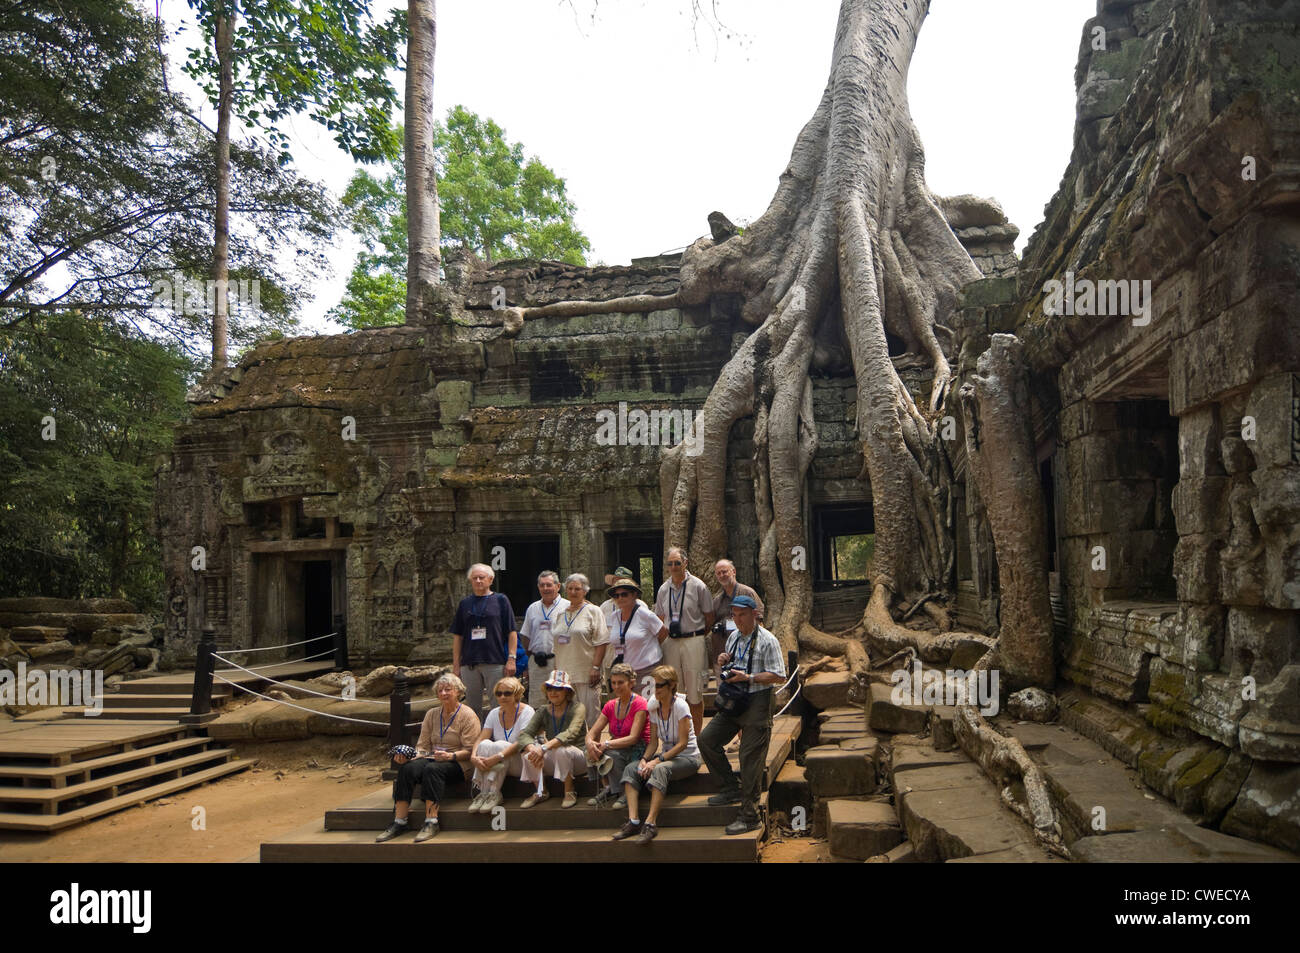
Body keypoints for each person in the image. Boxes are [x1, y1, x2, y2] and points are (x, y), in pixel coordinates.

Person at [697, 594, 786, 835]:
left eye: (742, 615)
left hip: (758, 699)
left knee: (750, 756)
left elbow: (779, 675)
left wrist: (750, 678)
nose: (738, 620)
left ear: (754, 614)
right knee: (707, 740)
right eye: (734, 615)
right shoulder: (734, 637)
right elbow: (733, 665)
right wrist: (724, 659)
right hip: (735, 700)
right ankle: (730, 787)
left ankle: (750, 816)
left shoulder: (768, 640)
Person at [376, 673, 481, 843]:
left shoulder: (468, 715)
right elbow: (423, 747)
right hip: (433, 757)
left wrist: (450, 755)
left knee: (433, 770)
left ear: (458, 692)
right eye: (440, 690)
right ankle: (399, 821)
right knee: (408, 769)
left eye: (448, 689)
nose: (444, 693)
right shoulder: (432, 714)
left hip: (460, 762)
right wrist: (408, 757)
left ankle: (431, 821)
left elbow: (471, 750)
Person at [611, 664, 701, 845]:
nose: (655, 689)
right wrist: (644, 760)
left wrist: (657, 761)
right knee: (631, 768)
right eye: (654, 685)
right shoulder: (653, 706)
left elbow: (683, 744)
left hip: (688, 757)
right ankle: (634, 820)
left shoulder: (681, 706)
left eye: (660, 685)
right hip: (666, 755)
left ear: (671, 685)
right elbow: (653, 742)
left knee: (660, 770)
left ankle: (651, 824)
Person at [653, 547, 714, 737]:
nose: (673, 567)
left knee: (695, 691)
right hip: (671, 642)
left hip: (693, 640)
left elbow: (709, 616)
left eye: (677, 563)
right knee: (673, 690)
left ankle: (696, 737)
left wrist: (697, 634)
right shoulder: (664, 589)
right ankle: (678, 736)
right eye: (670, 564)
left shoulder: (698, 586)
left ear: (685, 563)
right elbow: (660, 618)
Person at [451, 564, 519, 723]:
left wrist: (511, 658)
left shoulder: (501, 600)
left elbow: (511, 631)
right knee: (472, 706)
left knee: (498, 702)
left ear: (490, 579)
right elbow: (458, 636)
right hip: (469, 662)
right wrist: (456, 664)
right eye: (474, 578)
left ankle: (500, 738)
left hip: (494, 660)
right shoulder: (465, 603)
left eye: (482, 577)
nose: (478, 581)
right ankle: (475, 740)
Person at [517, 671, 588, 809]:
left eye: (558, 689)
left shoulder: (578, 707)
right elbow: (525, 735)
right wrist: (534, 749)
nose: (553, 692)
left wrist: (543, 748)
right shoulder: (543, 710)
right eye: (550, 688)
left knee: (562, 750)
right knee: (528, 754)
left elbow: (571, 733)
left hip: (579, 757)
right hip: (554, 755)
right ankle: (540, 792)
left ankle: (569, 791)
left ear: (567, 692)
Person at [584, 662, 649, 808]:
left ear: (631, 683)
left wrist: (606, 744)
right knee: (588, 750)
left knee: (611, 753)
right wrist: (589, 742)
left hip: (638, 748)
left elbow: (633, 738)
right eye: (613, 683)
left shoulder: (640, 703)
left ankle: (624, 792)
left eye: (621, 682)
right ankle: (608, 788)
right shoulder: (611, 704)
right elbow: (593, 732)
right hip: (618, 745)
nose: (616, 687)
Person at [467, 676, 535, 814]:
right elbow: (481, 737)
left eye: (507, 693)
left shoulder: (527, 711)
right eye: (499, 693)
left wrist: (498, 756)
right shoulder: (493, 713)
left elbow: (522, 741)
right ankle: (483, 792)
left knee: (499, 745)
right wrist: (473, 756)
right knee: (485, 744)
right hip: (499, 762)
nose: (502, 697)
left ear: (517, 694)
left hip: (519, 762)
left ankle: (494, 793)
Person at [550, 573, 608, 729]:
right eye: (570, 588)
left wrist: (595, 667)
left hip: (587, 673)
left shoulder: (593, 611)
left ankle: (592, 749)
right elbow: (556, 646)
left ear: (585, 591)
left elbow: (602, 642)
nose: (573, 592)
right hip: (564, 675)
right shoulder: (561, 614)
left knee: (590, 716)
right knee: (568, 717)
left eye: (577, 589)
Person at [518, 570, 568, 709]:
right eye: (542, 585)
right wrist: (527, 663)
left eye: (549, 585)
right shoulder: (532, 608)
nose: (545, 588)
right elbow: (526, 636)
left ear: (558, 586)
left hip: (559, 662)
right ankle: (539, 731)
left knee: (560, 701)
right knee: (537, 703)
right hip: (537, 662)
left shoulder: (567, 606)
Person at [604, 577, 667, 687]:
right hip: (625, 672)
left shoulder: (645, 614)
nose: (620, 598)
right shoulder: (615, 616)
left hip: (647, 669)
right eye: (616, 595)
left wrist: (648, 647)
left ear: (634, 595)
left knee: (647, 704)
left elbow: (663, 632)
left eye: (624, 594)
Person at [711, 558, 766, 659]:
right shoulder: (717, 600)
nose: (721, 575)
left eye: (724, 572)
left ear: (734, 572)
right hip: (723, 652)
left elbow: (759, 620)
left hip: (746, 650)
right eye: (718, 573)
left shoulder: (747, 593)